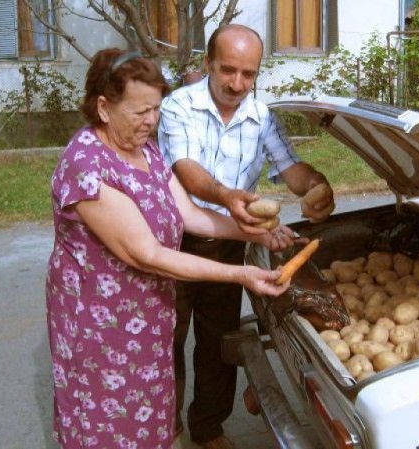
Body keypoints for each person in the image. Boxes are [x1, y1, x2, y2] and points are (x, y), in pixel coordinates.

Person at [45, 48, 301, 449]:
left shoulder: (143, 149)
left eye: (155, 109)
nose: (150, 121)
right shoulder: (87, 165)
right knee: (108, 421)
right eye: (139, 111)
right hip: (102, 327)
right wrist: (242, 274)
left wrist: (254, 235)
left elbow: (188, 215)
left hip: (145, 317)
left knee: (147, 415)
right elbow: (147, 254)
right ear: (104, 106)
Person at [158, 24, 335, 449]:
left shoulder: (261, 117)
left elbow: (291, 170)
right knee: (166, 342)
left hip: (228, 244)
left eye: (248, 74)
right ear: (208, 64)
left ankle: (207, 430)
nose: (237, 83)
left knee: (219, 341)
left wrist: (317, 184)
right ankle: (167, 431)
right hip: (173, 242)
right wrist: (225, 195)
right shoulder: (177, 106)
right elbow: (185, 170)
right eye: (228, 70)